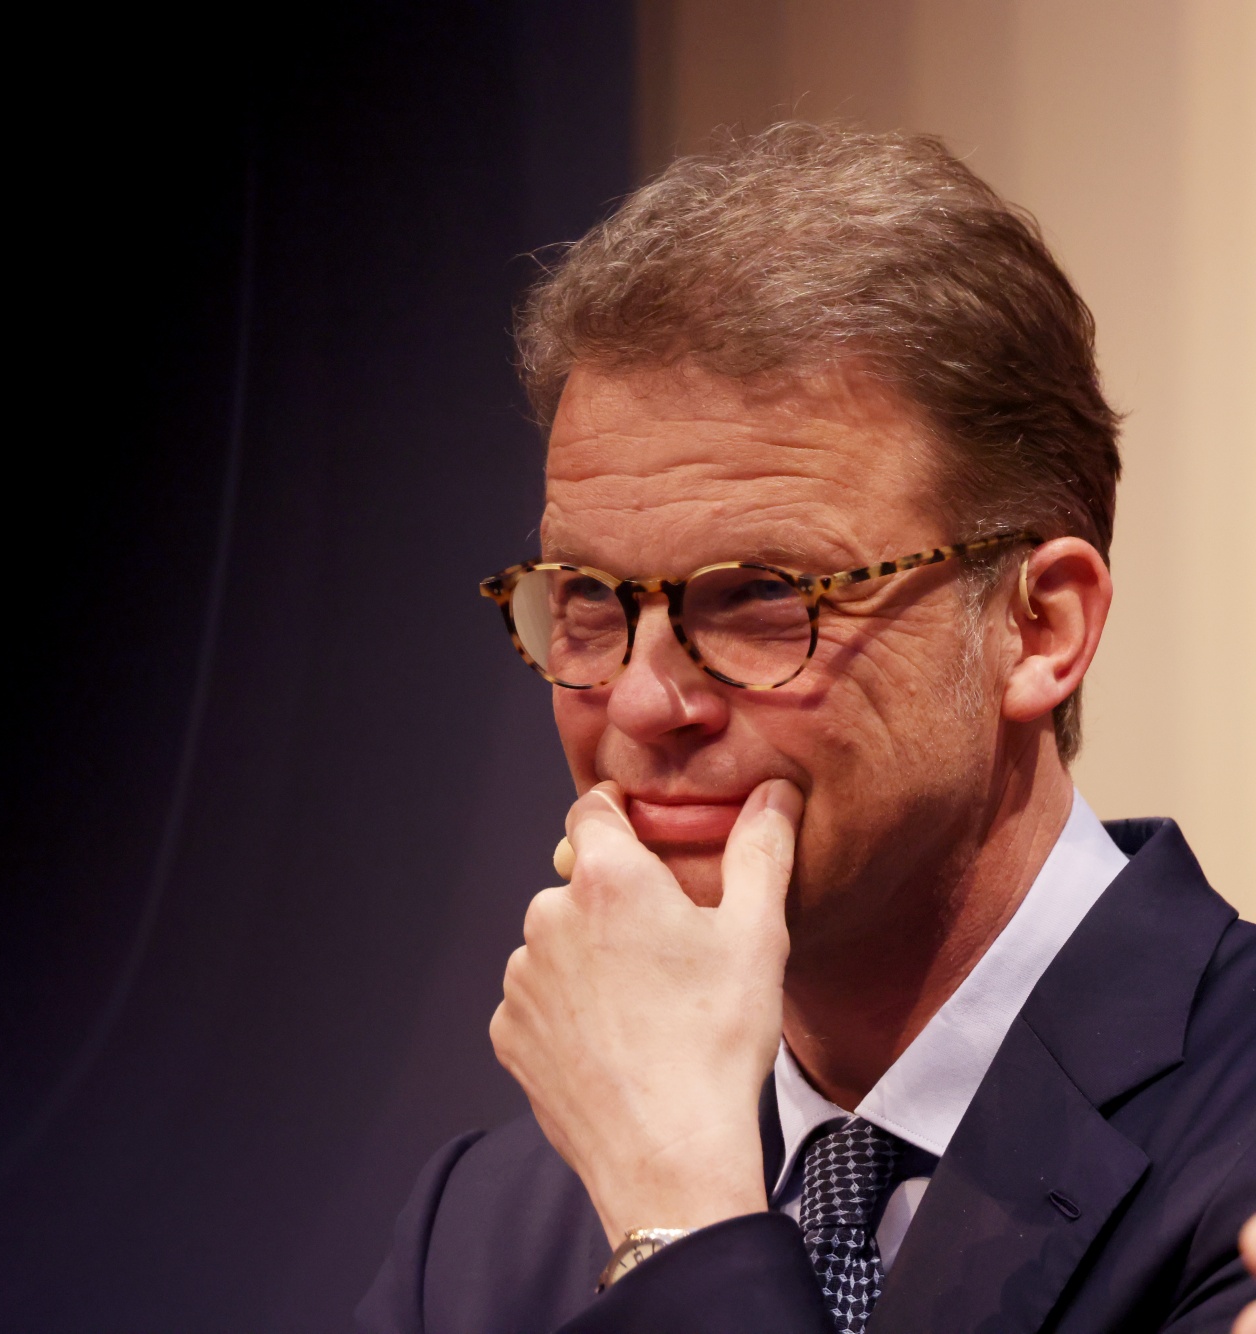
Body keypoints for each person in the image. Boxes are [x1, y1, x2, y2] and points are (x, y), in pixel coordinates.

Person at [358, 124, 1254, 1334]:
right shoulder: (482, 1227)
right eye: (588, 598)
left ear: (1037, 626)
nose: (642, 703)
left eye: (761, 596)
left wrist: (677, 1221)